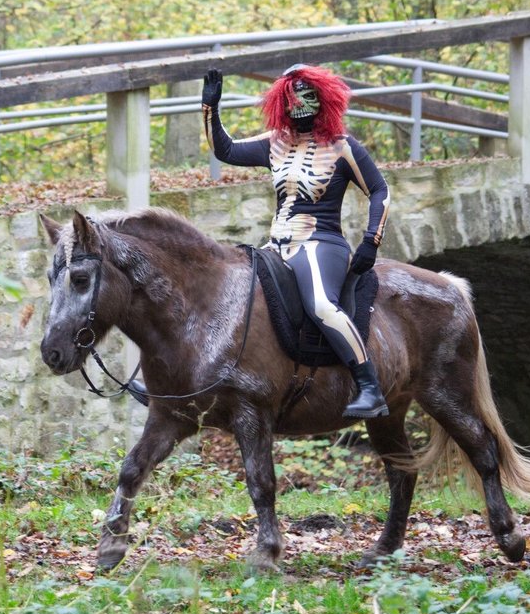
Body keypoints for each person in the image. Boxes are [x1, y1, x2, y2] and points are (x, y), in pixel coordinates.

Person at [129, 64, 390, 421]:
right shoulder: (275, 143)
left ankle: (369, 386)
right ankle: (173, 390)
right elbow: (226, 150)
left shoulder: (343, 148)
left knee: (321, 305)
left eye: (308, 98)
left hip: (321, 243)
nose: (300, 106)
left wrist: (371, 240)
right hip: (275, 246)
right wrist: (210, 107)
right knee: (229, 298)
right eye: (293, 98)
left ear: (323, 100)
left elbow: (379, 190)